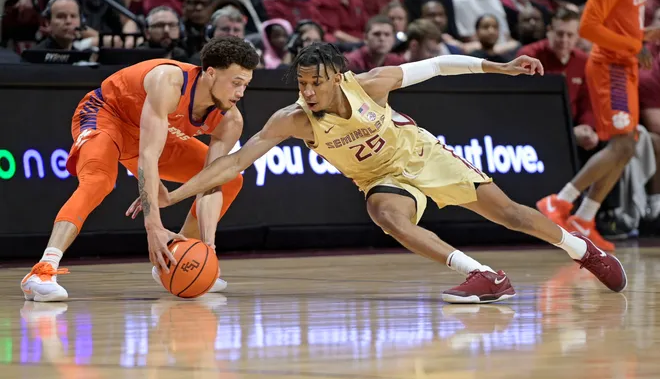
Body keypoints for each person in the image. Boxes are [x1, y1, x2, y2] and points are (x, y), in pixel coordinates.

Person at [152, 43, 628, 304]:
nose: (308, 91)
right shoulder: (292, 119)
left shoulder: (373, 84)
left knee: (511, 215)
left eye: (315, 83)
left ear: (338, 77)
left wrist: (499, 67)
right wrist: (173, 199)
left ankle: (583, 250)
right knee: (385, 213)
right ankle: (484, 275)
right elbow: (233, 162)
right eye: (301, 84)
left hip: (424, 156)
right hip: (383, 179)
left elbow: (439, 65)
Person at [20, 36, 260, 302]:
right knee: (99, 181)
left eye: (246, 85)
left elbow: (211, 181)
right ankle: (42, 271)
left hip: (150, 134)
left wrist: (208, 247)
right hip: (107, 114)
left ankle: (172, 259)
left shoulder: (230, 119)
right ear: (211, 73)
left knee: (230, 178)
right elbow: (148, 156)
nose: (241, 92)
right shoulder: (169, 82)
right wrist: (153, 226)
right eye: (236, 83)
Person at [537, 0, 660, 251]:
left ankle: (585, 218)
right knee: (622, 145)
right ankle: (559, 203)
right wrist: (634, 46)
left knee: (630, 143)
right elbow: (588, 29)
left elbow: (621, 28)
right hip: (611, 69)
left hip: (625, 66)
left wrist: (645, 37)